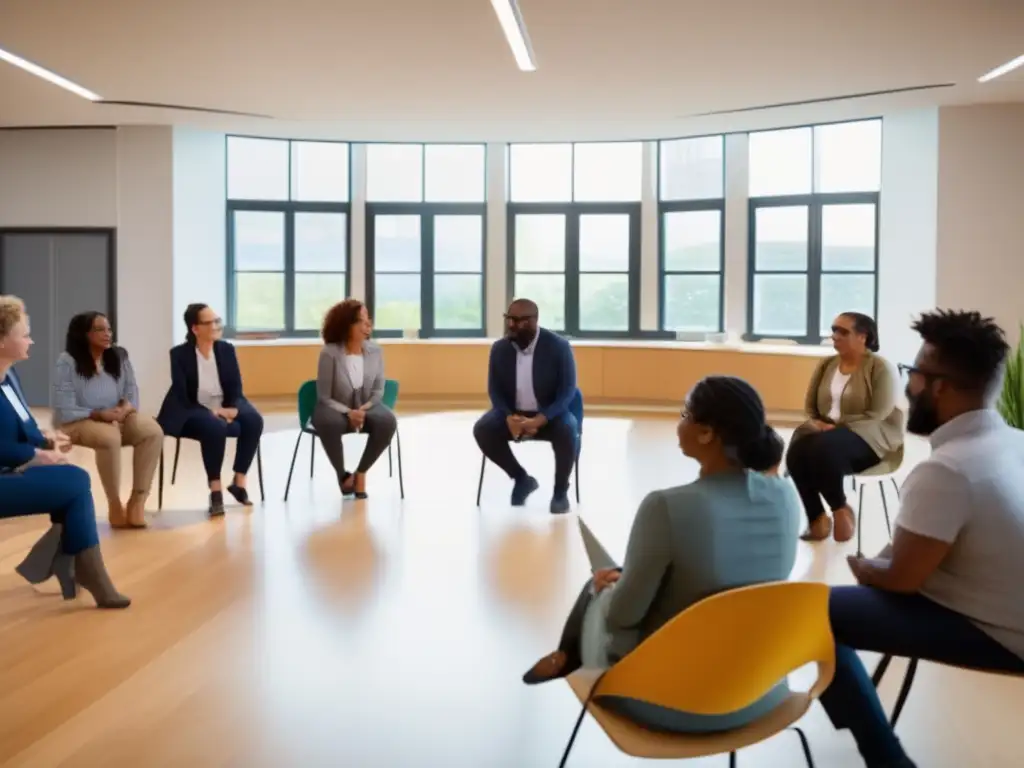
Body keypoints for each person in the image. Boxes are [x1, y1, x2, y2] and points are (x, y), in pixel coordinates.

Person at [522, 376, 800, 734]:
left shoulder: (666, 506)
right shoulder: (786, 495)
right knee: (619, 577)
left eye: (685, 413)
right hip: (763, 691)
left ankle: (568, 654)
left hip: (671, 701)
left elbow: (623, 616)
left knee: (602, 585)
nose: (679, 422)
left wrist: (602, 592)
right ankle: (569, 651)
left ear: (706, 433)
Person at [822, 310, 1024, 768]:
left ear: (940, 387)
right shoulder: (1015, 441)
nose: (908, 385)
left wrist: (864, 566)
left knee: (816, 613)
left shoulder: (947, 470)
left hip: (1005, 634)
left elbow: (901, 581)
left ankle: (886, 759)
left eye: (913, 373)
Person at [0, 295, 130, 609]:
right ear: (2, 340)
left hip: (12, 470)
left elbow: (24, 425)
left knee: (73, 485)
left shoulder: (9, 377)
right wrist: (34, 456)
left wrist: (47, 439)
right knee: (74, 484)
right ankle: (79, 568)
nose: (31, 339)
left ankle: (77, 566)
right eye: (24, 333)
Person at [785, 312, 903, 542]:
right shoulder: (827, 365)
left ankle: (840, 509)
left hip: (870, 435)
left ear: (863, 336)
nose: (835, 336)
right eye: (834, 330)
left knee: (822, 448)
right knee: (798, 450)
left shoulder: (880, 367)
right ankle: (817, 518)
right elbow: (811, 406)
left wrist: (837, 427)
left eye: (843, 331)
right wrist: (817, 422)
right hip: (828, 435)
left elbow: (878, 413)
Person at [53, 311, 163, 529]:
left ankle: (137, 502)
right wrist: (98, 414)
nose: (107, 334)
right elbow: (65, 407)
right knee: (109, 437)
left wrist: (125, 409)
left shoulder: (119, 356)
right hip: (79, 419)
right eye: (100, 329)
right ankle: (115, 505)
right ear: (83, 334)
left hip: (117, 416)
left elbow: (132, 391)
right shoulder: (67, 361)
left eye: (109, 329)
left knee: (152, 431)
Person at [473, 298, 579, 514]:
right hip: (513, 415)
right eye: (509, 319)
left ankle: (560, 491)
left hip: (550, 415)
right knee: (483, 429)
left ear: (534, 321)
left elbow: (568, 391)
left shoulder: (558, 347)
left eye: (519, 321)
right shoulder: (500, 349)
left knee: (568, 430)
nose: (512, 325)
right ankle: (522, 479)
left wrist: (542, 418)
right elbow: (495, 391)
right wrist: (509, 417)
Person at [157, 304, 263, 517]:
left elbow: (235, 387)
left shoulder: (226, 349)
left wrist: (231, 409)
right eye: (210, 322)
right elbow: (182, 394)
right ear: (195, 328)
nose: (216, 326)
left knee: (254, 420)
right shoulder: (179, 354)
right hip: (190, 408)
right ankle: (215, 490)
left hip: (223, 405)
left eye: (217, 321)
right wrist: (213, 413)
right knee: (214, 427)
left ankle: (239, 481)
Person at [311, 299, 396, 499]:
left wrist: (363, 409)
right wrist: (348, 412)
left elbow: (378, 391)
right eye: (360, 320)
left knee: (387, 421)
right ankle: (342, 476)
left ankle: (361, 473)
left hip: (367, 404)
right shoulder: (329, 353)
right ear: (346, 324)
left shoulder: (376, 351)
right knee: (328, 422)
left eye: (368, 320)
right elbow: (324, 396)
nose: (367, 325)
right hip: (334, 407)